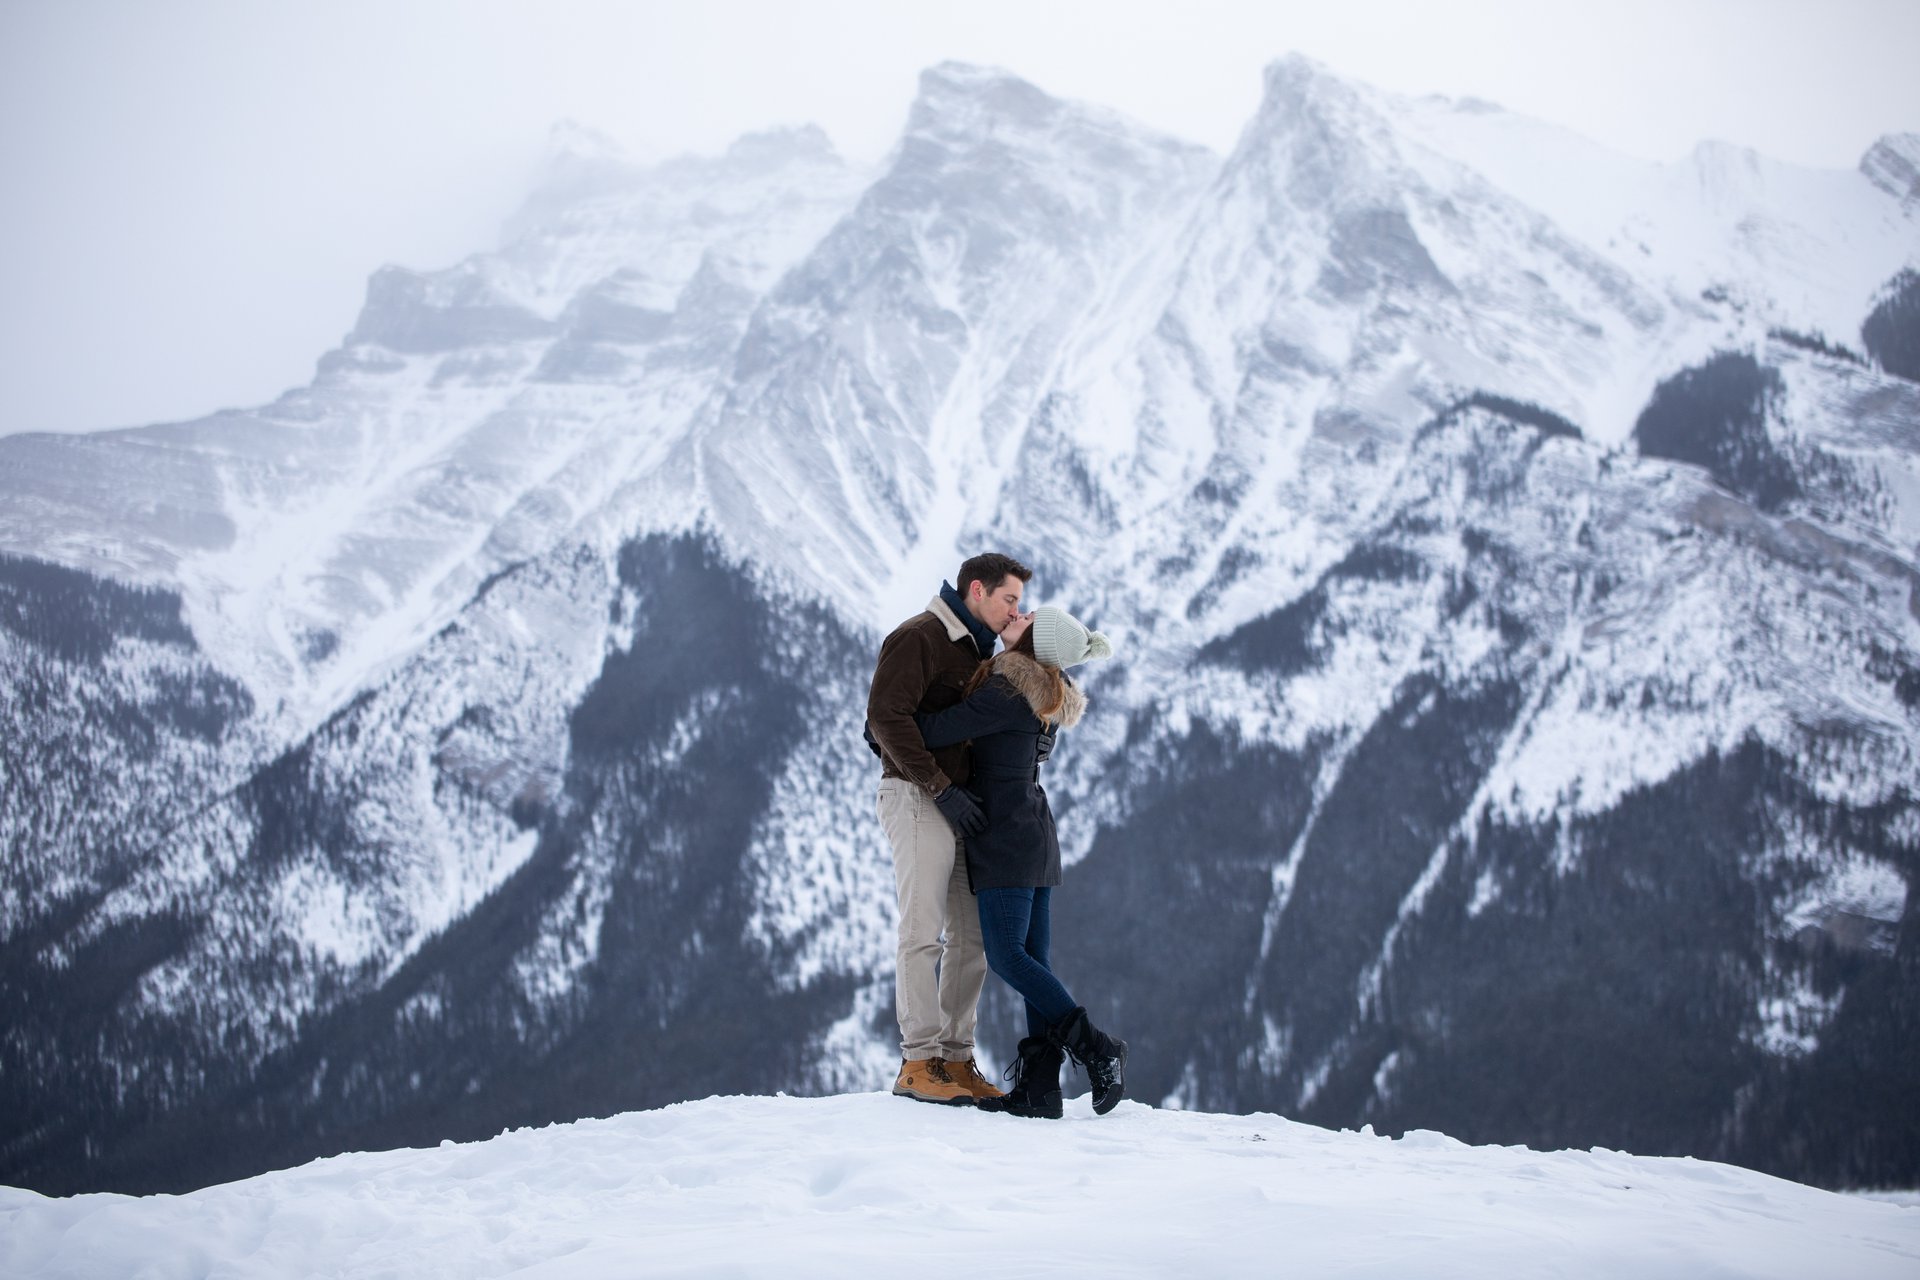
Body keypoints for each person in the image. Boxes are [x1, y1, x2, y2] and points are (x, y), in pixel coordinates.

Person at [911, 604, 1127, 1118]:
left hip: (1008, 839)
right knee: (1033, 962)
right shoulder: (1033, 691)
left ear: (1034, 642)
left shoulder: (1007, 691)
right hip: (1032, 834)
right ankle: (1040, 1088)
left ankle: (1098, 1047)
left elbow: (937, 729)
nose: (1019, 613)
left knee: (1009, 957)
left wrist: (887, 722)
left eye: (1029, 617)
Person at [866, 553, 1032, 1105]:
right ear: (978, 591)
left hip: (961, 804)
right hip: (918, 798)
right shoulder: (920, 636)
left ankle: (957, 1061)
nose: (1016, 610)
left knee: (972, 936)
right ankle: (918, 1062)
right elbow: (884, 718)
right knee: (922, 931)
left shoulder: (978, 648)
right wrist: (940, 788)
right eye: (1010, 598)